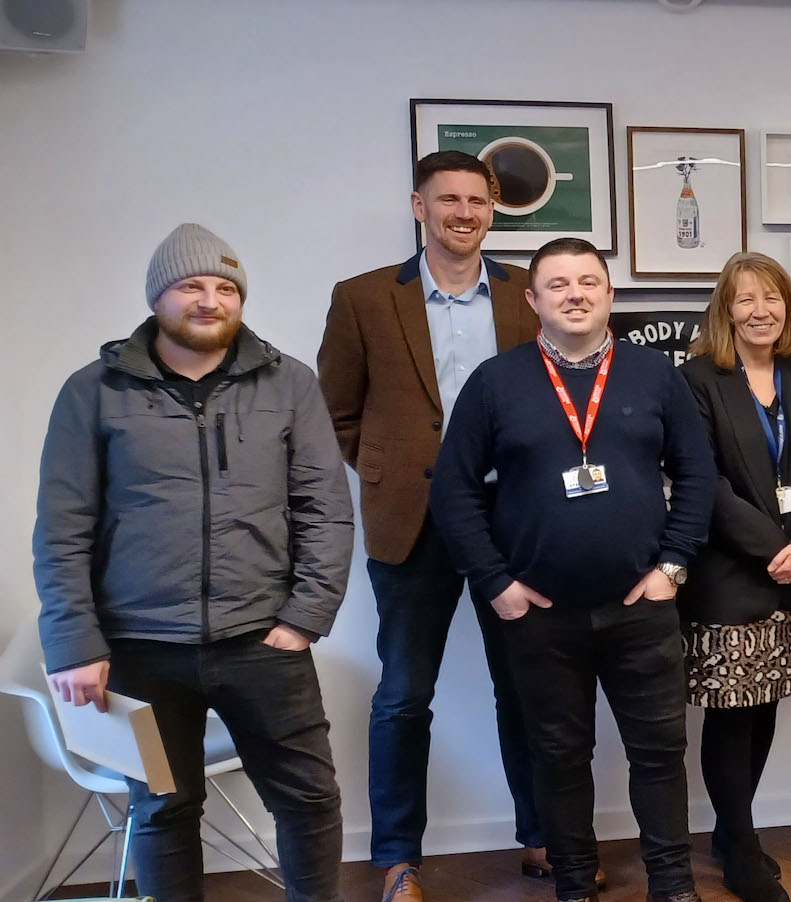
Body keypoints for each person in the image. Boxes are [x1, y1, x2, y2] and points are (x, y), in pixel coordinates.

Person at [34, 223, 352, 901]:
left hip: (263, 642)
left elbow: (326, 508)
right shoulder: (93, 391)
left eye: (225, 287)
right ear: (158, 298)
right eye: (191, 286)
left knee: (308, 801)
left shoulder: (289, 383)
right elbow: (62, 529)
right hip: (140, 648)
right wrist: (73, 644)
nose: (210, 300)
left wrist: (304, 618)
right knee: (163, 809)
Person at [429, 238, 717, 902]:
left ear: (610, 295)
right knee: (557, 758)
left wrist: (672, 567)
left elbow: (698, 475)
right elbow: (454, 491)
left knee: (658, 755)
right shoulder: (496, 382)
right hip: (541, 616)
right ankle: (574, 883)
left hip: (641, 605)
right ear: (533, 301)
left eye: (589, 281)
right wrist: (495, 583)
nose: (576, 294)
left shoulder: (655, 374)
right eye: (557, 284)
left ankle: (672, 884)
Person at [319, 150, 550, 900]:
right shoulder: (361, 298)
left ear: (492, 210)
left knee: (525, 688)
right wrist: (389, 471)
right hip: (409, 524)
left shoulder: (526, 295)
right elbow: (337, 413)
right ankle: (397, 860)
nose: (464, 212)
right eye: (447, 199)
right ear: (419, 207)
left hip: (511, 522)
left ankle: (543, 835)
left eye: (476, 201)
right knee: (404, 695)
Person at [678, 252, 791, 902]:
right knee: (731, 711)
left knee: (766, 701)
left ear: (788, 307)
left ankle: (732, 830)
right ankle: (739, 844)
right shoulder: (698, 379)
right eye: (745, 299)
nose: (759, 310)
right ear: (726, 310)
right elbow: (703, 481)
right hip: (728, 575)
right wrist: (774, 544)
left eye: (770, 297)